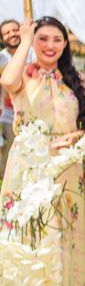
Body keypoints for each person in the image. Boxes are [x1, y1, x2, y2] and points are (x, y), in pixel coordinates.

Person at [0, 16, 85, 286]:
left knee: (64, 239)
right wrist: (25, 39)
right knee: (32, 240)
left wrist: (78, 137)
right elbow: (6, 82)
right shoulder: (25, 78)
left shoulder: (79, 81)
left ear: (66, 43)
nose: (50, 46)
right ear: (33, 41)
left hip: (67, 171)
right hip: (29, 172)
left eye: (57, 39)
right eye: (42, 39)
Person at [0, 19, 35, 177]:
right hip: (9, 116)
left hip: (35, 113)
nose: (11, 34)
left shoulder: (34, 52)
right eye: (6, 33)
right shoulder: (1, 59)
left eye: (14, 30)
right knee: (11, 156)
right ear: (2, 39)